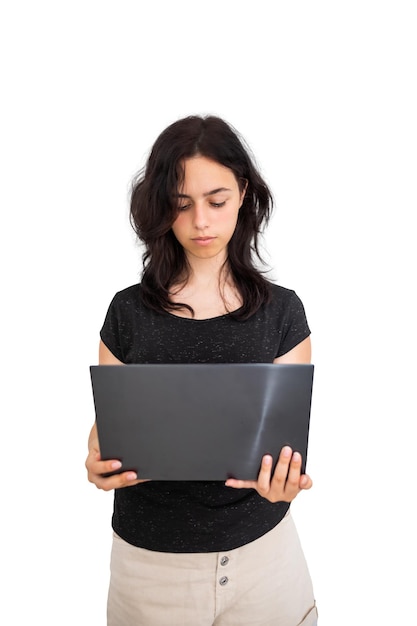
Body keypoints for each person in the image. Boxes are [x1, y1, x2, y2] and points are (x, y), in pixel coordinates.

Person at [86, 114, 318, 626]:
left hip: (265, 562)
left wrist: (283, 480)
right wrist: (98, 459)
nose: (201, 223)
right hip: (150, 571)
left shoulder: (283, 313)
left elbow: (286, 443)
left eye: (217, 201)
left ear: (243, 195)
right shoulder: (126, 313)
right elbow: (110, 429)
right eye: (181, 204)